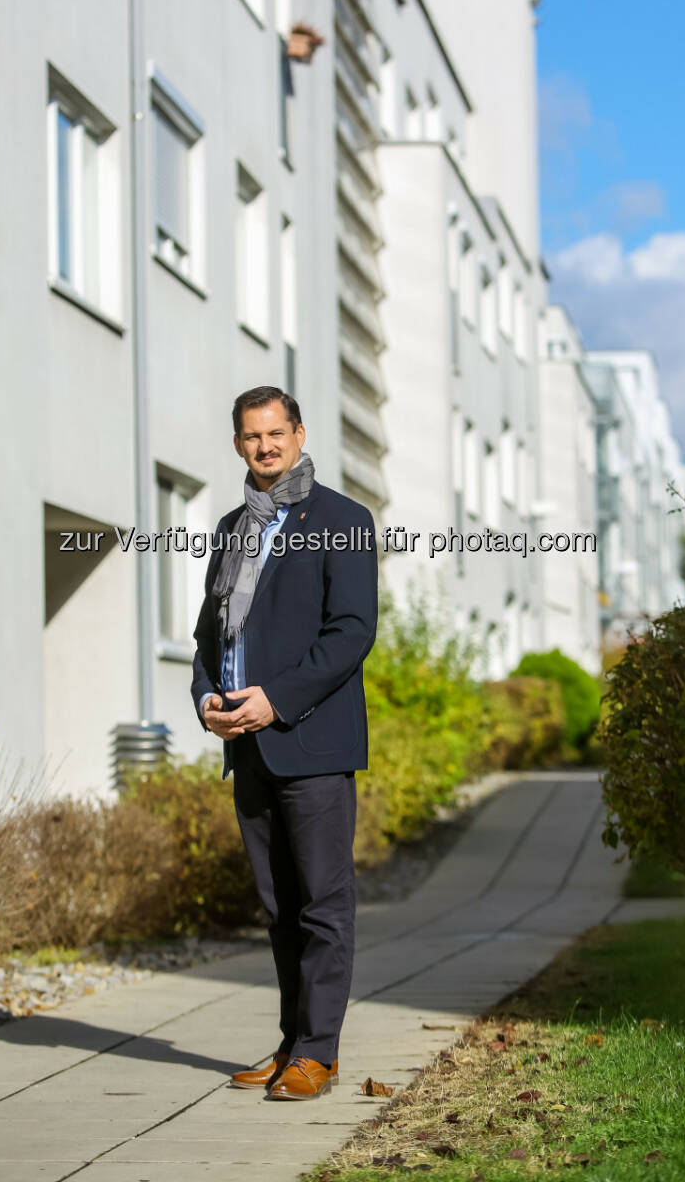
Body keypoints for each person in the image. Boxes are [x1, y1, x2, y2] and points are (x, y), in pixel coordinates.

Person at [191, 385, 378, 1101]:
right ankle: (290, 1042)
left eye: (276, 433)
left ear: (300, 434)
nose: (265, 447)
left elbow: (351, 633)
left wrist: (276, 700)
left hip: (311, 741)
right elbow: (212, 635)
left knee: (322, 904)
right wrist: (207, 697)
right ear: (238, 443)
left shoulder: (343, 520)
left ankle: (319, 1053)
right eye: (251, 437)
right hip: (246, 743)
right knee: (278, 907)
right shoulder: (232, 527)